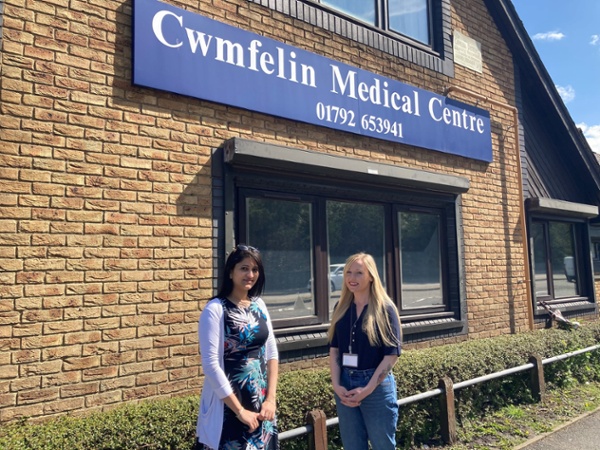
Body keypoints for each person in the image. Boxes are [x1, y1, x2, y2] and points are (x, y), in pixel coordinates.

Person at [196, 244, 279, 450]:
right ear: (231, 272)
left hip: (261, 406)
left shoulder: (259, 305)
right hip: (228, 408)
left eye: (255, 269)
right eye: (244, 268)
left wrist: (270, 399)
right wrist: (240, 410)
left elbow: (271, 353)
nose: (250, 274)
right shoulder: (215, 309)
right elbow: (211, 365)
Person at [328, 252, 402, 450]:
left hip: (376, 388)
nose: (352, 278)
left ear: (371, 276)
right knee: (353, 446)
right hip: (345, 385)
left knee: (382, 445)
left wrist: (367, 389)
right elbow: (334, 350)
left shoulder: (385, 309)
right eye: (348, 272)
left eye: (359, 273)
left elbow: (391, 355)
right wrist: (336, 385)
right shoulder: (341, 307)